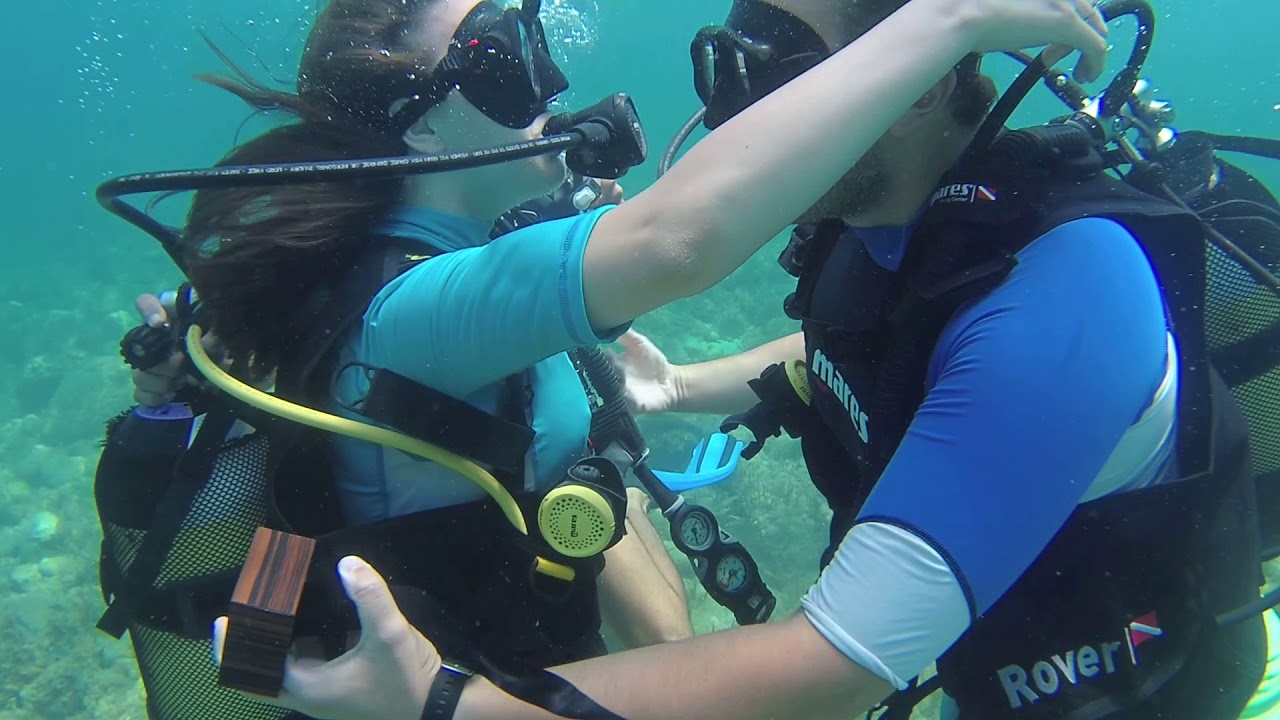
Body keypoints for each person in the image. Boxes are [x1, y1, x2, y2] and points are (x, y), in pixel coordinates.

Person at [189, 0, 1133, 718]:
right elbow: (679, 241)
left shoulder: (457, 268)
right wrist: (947, 19)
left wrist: (673, 388)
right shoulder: (420, 307)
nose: (552, 84)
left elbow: (592, 489)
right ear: (422, 125)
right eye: (505, 61)